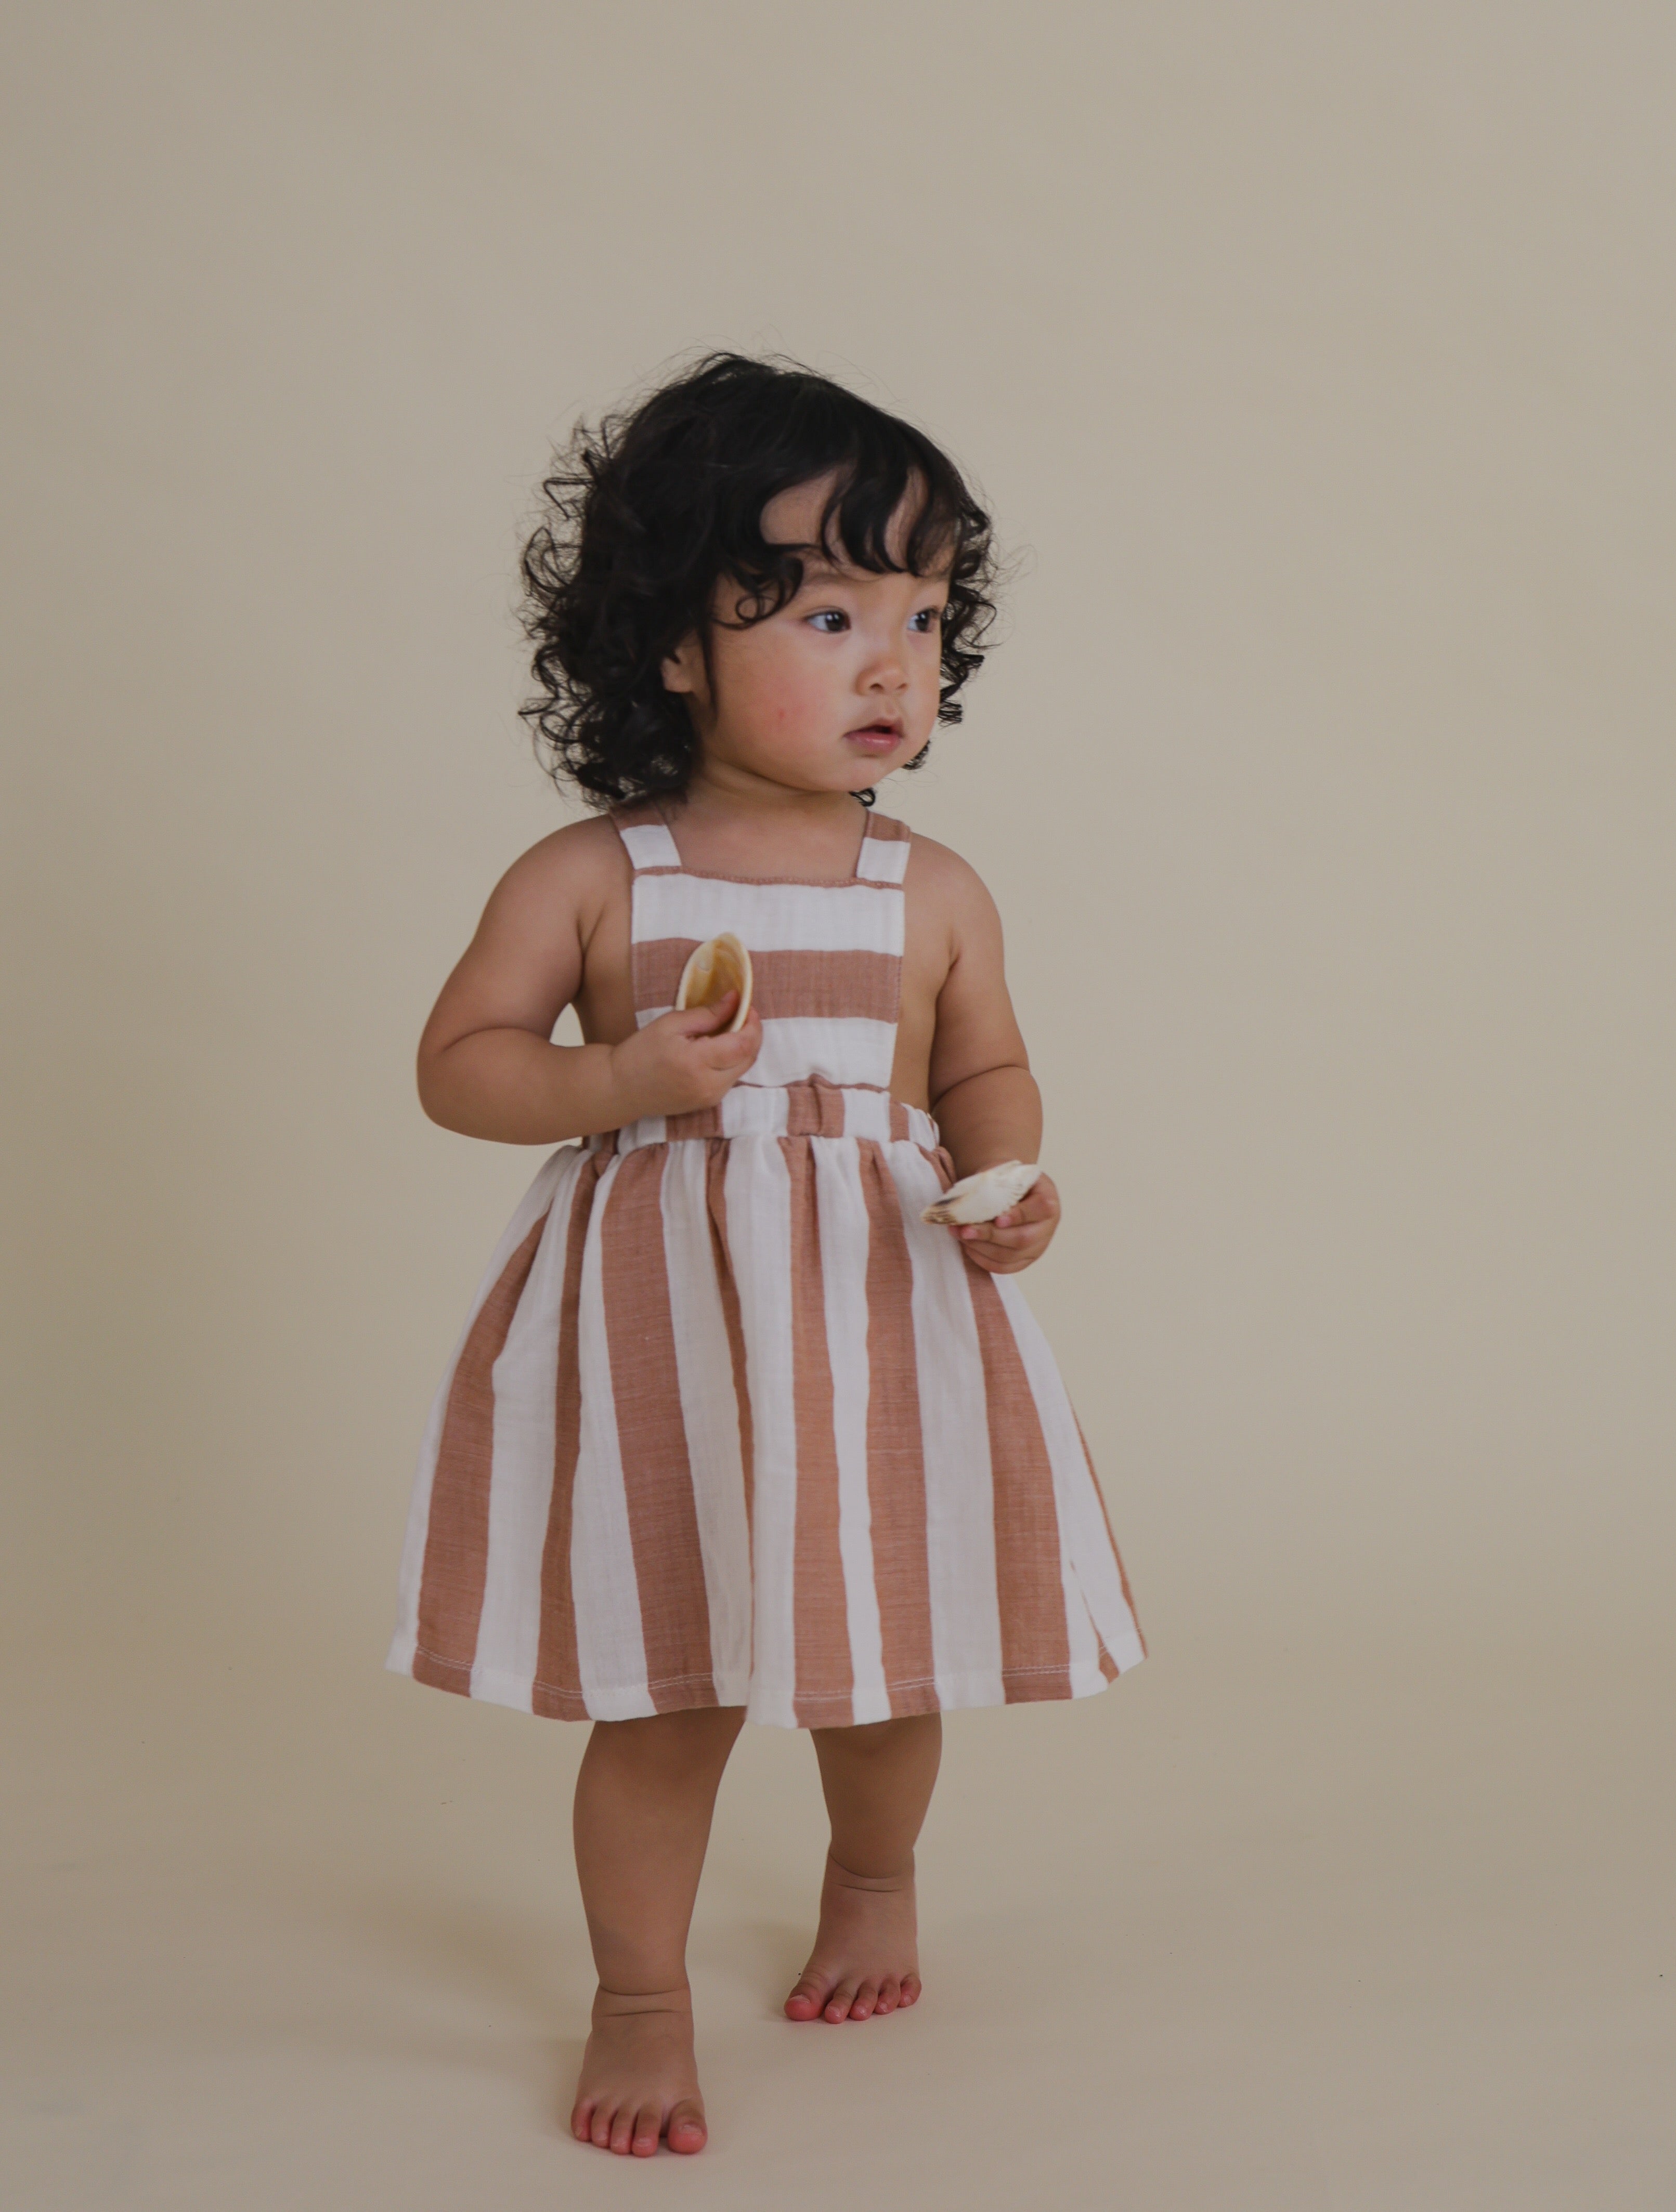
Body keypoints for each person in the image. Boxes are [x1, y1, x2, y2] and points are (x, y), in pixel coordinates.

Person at [387, 353, 1145, 2156]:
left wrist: (1012, 1173)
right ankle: (640, 1995)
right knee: (670, 1685)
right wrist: (623, 1074)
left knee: (884, 1657)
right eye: (826, 609)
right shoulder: (597, 875)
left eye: (925, 613)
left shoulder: (931, 890)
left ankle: (874, 1878)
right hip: (667, 1326)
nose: (896, 659)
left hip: (883, 1311)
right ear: (670, 644)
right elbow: (461, 1065)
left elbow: (984, 1068)